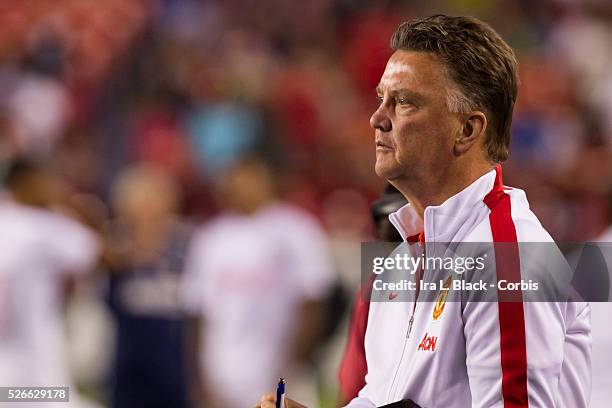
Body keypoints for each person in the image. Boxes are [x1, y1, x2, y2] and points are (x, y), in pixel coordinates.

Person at [257, 15, 591, 407]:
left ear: (467, 130)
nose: (377, 118)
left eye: (404, 102)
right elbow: (381, 397)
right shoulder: (400, 263)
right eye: (380, 98)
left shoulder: (507, 258)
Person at [182, 154, 335, 408]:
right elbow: (198, 313)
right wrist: (199, 378)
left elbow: (315, 300)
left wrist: (295, 365)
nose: (241, 186)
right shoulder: (210, 237)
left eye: (249, 178)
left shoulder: (297, 230)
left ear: (266, 180)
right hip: (222, 375)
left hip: (278, 371)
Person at [0, 159, 100, 407]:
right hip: (36, 360)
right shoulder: (42, 225)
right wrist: (64, 204)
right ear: (24, 183)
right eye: (44, 181)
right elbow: (94, 252)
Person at [104, 163, 194, 408]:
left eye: (154, 203)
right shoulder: (113, 248)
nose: (147, 213)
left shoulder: (190, 246)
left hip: (178, 369)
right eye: (139, 205)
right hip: (127, 369)